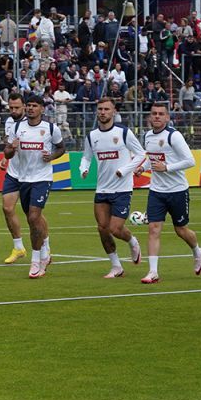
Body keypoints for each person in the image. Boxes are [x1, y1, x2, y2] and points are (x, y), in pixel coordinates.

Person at [139, 101, 201, 284]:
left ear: (167, 117)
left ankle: (197, 251)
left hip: (177, 191)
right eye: (154, 113)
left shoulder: (173, 136)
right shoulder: (148, 136)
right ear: (150, 117)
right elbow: (151, 158)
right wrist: (142, 167)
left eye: (161, 114)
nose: (157, 116)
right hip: (156, 191)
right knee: (153, 228)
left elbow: (190, 161)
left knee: (181, 230)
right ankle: (153, 272)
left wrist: (167, 167)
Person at [79, 97, 144, 278]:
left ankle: (132, 241)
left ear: (114, 111)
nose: (103, 112)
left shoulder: (123, 132)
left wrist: (124, 170)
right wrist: (83, 169)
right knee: (102, 228)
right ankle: (116, 266)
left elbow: (141, 154)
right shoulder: (92, 136)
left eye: (106, 109)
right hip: (102, 188)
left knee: (115, 229)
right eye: (100, 109)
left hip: (122, 188)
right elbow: (86, 157)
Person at [3, 93, 63, 278]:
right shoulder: (17, 127)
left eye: (34, 106)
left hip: (42, 178)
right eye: (28, 105)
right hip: (23, 179)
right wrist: (11, 148)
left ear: (42, 109)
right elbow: (7, 154)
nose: (30, 108)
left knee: (34, 216)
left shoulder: (51, 128)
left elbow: (61, 148)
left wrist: (51, 157)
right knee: (31, 219)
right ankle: (45, 252)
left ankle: (36, 261)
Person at [0, 92, 28, 263]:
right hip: (13, 172)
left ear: (24, 106)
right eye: (11, 107)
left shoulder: (33, 122)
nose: (13, 111)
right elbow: (9, 145)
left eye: (17, 107)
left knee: (33, 215)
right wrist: (5, 157)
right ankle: (18, 247)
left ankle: (45, 248)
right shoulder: (9, 122)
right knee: (7, 208)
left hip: (30, 175)